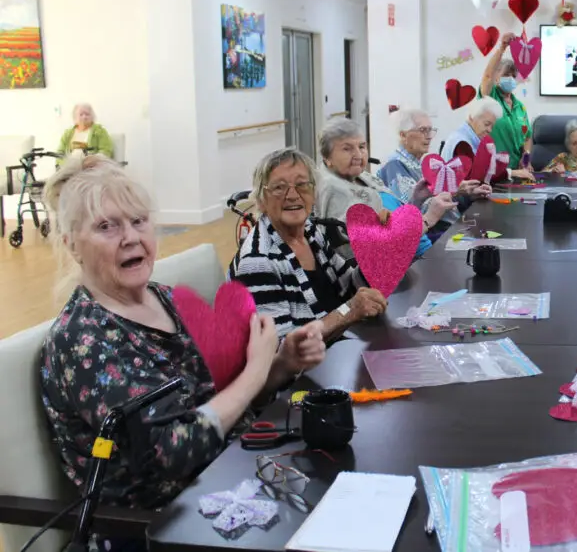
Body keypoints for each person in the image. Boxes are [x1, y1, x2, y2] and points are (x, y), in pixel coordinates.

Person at [38, 156, 323, 525]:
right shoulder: (82, 340)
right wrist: (256, 370)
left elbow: (222, 399)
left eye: (139, 221)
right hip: (163, 528)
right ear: (72, 244)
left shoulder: (167, 299)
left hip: (233, 482)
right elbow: (173, 451)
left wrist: (283, 363)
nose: (131, 238)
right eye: (106, 226)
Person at [230, 148, 387, 341]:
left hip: (338, 344)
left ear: (313, 193)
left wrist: (376, 248)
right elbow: (281, 349)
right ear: (261, 201)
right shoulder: (258, 260)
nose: (293, 195)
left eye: (302, 184)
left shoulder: (309, 231)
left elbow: (349, 285)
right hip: (309, 366)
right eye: (279, 187)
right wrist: (349, 311)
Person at [316, 117, 455, 256]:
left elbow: (398, 219)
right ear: (327, 158)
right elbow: (378, 251)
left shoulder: (361, 176)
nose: (358, 155)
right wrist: (429, 218)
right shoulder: (333, 190)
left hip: (421, 251)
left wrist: (416, 200)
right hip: (406, 268)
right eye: (347, 149)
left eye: (362, 146)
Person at [376, 109, 492, 237]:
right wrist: (455, 190)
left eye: (430, 130)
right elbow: (414, 209)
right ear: (403, 135)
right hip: (429, 234)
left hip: (444, 228)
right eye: (422, 130)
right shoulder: (394, 165)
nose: (429, 136)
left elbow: (434, 198)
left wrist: (467, 194)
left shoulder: (419, 163)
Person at [479, 31, 533, 169]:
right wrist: (502, 48)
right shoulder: (489, 97)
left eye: (513, 76)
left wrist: (526, 158)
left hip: (517, 171)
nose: (510, 79)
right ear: (496, 77)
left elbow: (527, 137)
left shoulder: (520, 107)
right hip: (492, 171)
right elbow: (487, 76)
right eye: (505, 75)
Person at [441, 99, 533, 180]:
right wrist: (512, 173)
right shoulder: (462, 143)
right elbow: (479, 175)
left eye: (492, 126)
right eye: (486, 124)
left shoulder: (466, 135)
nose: (489, 130)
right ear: (471, 117)